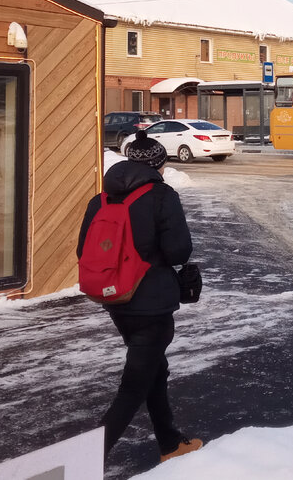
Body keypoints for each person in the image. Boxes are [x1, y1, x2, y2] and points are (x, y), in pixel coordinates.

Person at [77, 130, 202, 463]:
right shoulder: (162, 196)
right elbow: (179, 250)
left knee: (154, 371)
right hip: (152, 306)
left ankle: (170, 444)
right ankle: (84, 462)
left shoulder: (100, 199)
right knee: (133, 388)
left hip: (116, 302)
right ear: (158, 165)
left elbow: (82, 250)